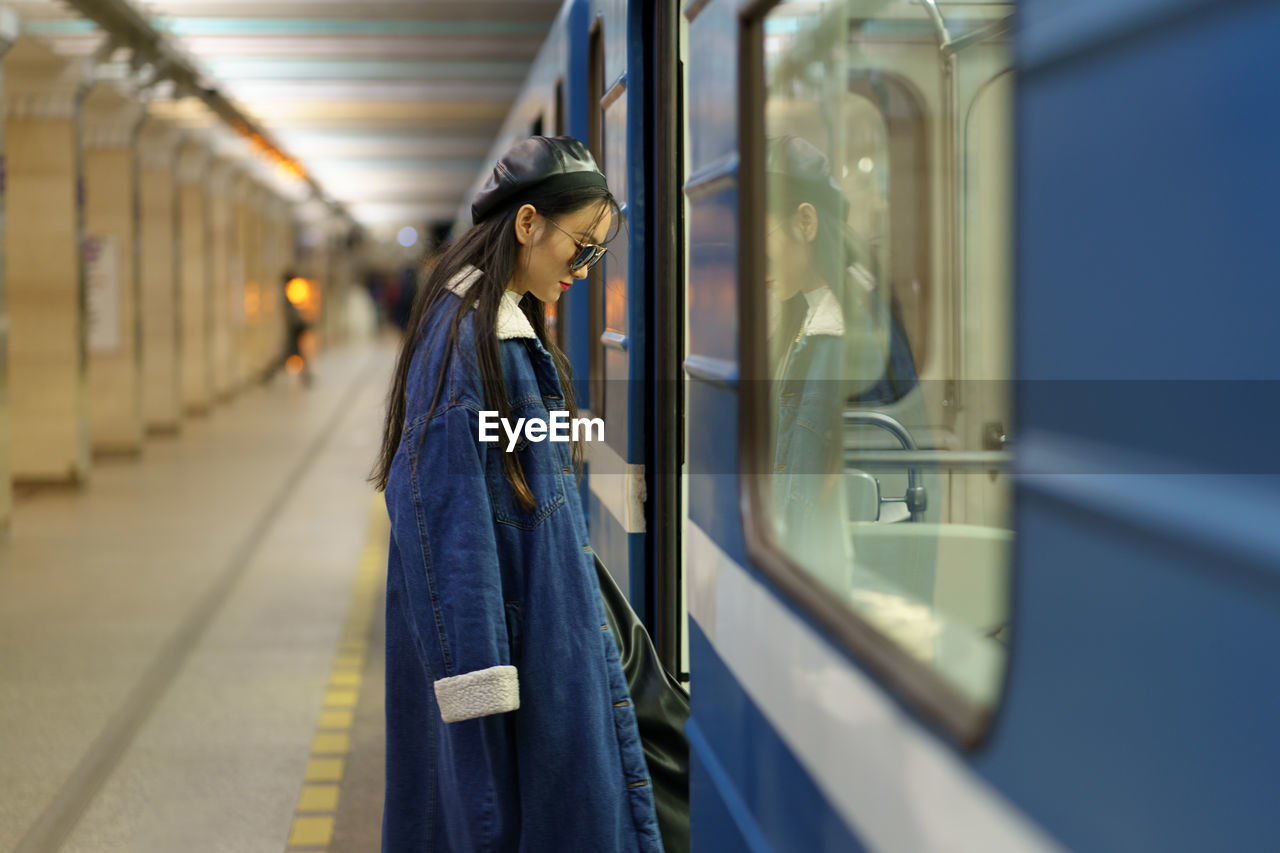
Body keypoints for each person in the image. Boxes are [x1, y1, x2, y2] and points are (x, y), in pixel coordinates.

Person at [370, 136, 666, 852]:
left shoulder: (486, 326)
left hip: (539, 644)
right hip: (521, 672)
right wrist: (485, 725)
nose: (586, 269)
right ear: (528, 223)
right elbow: (452, 538)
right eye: (581, 247)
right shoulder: (476, 347)